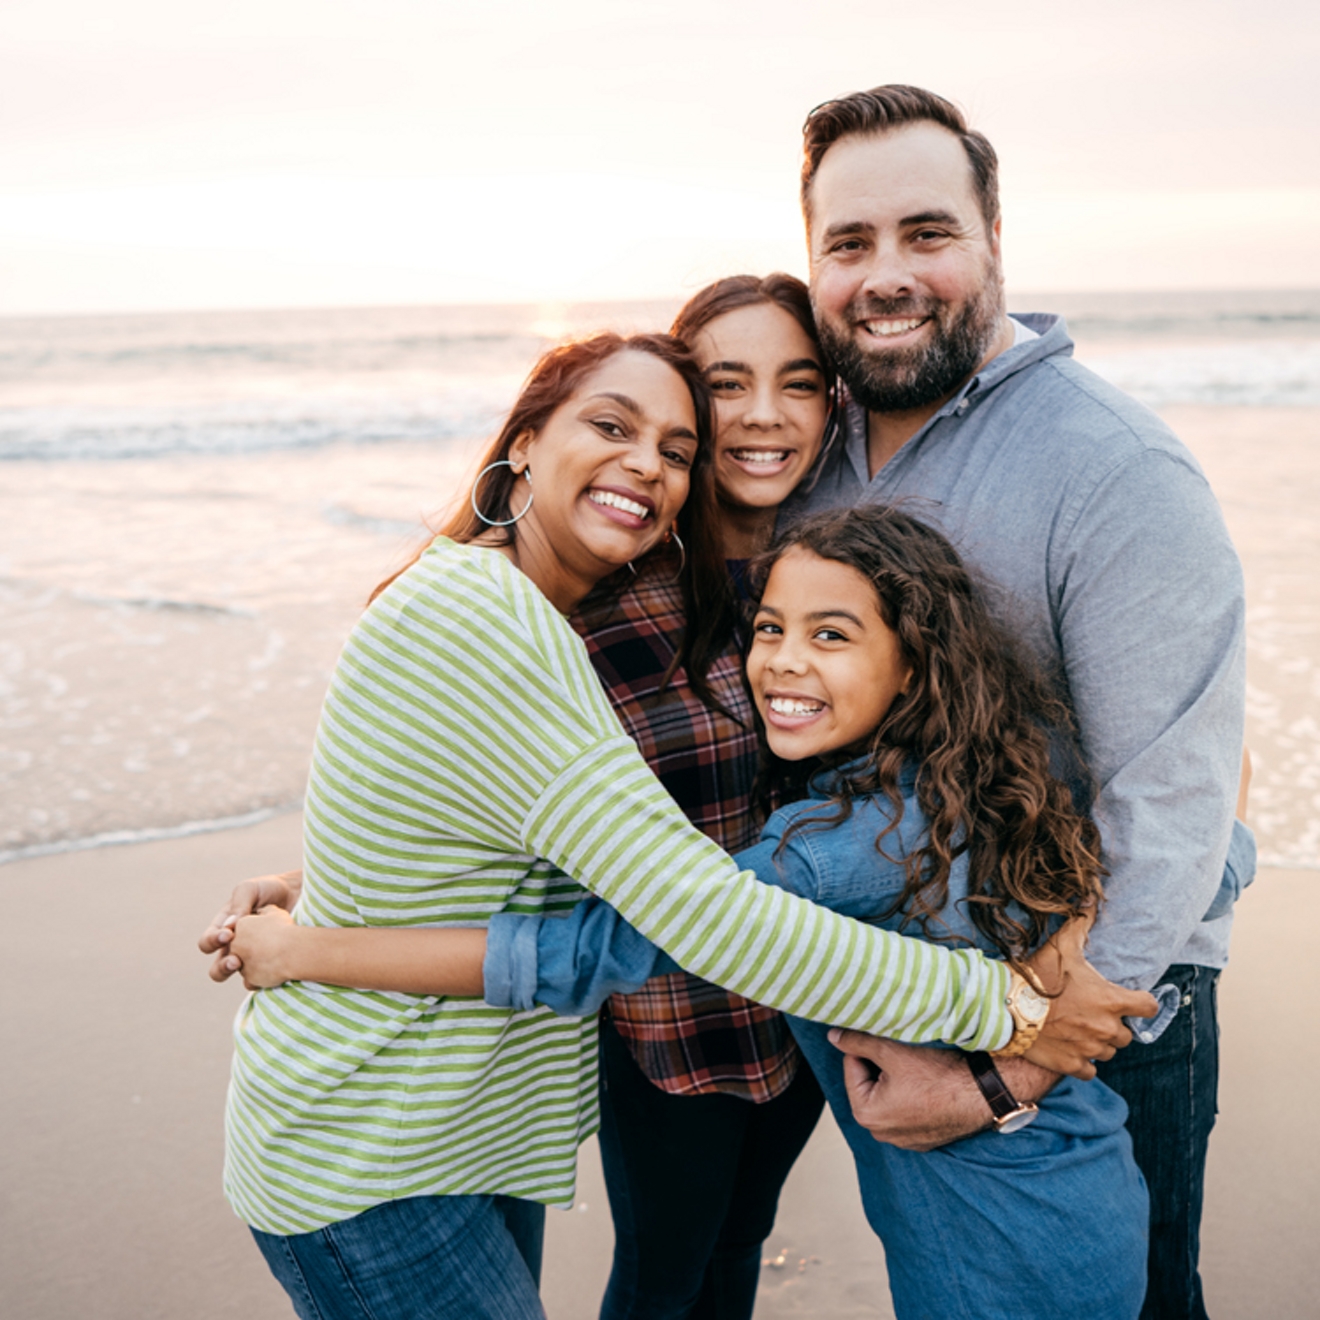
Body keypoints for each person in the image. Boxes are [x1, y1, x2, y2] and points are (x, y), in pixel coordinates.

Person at [211, 328, 1152, 1320]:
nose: (645, 465)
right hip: (366, 1139)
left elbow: (438, 819)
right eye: (611, 425)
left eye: (673, 449)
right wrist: (1012, 1008)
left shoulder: (518, 606)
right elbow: (710, 914)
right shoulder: (489, 618)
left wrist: (316, 891)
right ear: (523, 441)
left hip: (447, 1125)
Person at [781, 84, 1255, 1320]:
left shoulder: (1112, 468)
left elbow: (1177, 793)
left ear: (994, 239)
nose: (887, 275)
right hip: (896, 981)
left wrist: (1015, 1067)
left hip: (1096, 1010)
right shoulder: (808, 452)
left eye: (926, 233)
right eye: (850, 243)